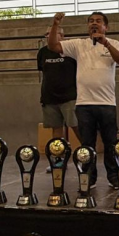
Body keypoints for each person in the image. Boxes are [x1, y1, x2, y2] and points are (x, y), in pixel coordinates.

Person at [48, 11, 119, 189]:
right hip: (84, 104)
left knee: (110, 143)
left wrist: (105, 43)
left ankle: (113, 176)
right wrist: (55, 25)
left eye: (98, 21)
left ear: (106, 27)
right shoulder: (79, 44)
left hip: (107, 103)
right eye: (91, 21)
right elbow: (53, 46)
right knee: (87, 144)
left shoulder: (114, 43)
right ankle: (89, 176)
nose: (94, 23)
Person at [38, 26, 81, 173]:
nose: (48, 36)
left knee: (76, 126)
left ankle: (87, 154)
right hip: (50, 97)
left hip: (70, 96)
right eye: (47, 33)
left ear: (62, 36)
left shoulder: (70, 51)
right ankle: (58, 159)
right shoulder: (42, 52)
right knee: (56, 129)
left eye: (52, 33)